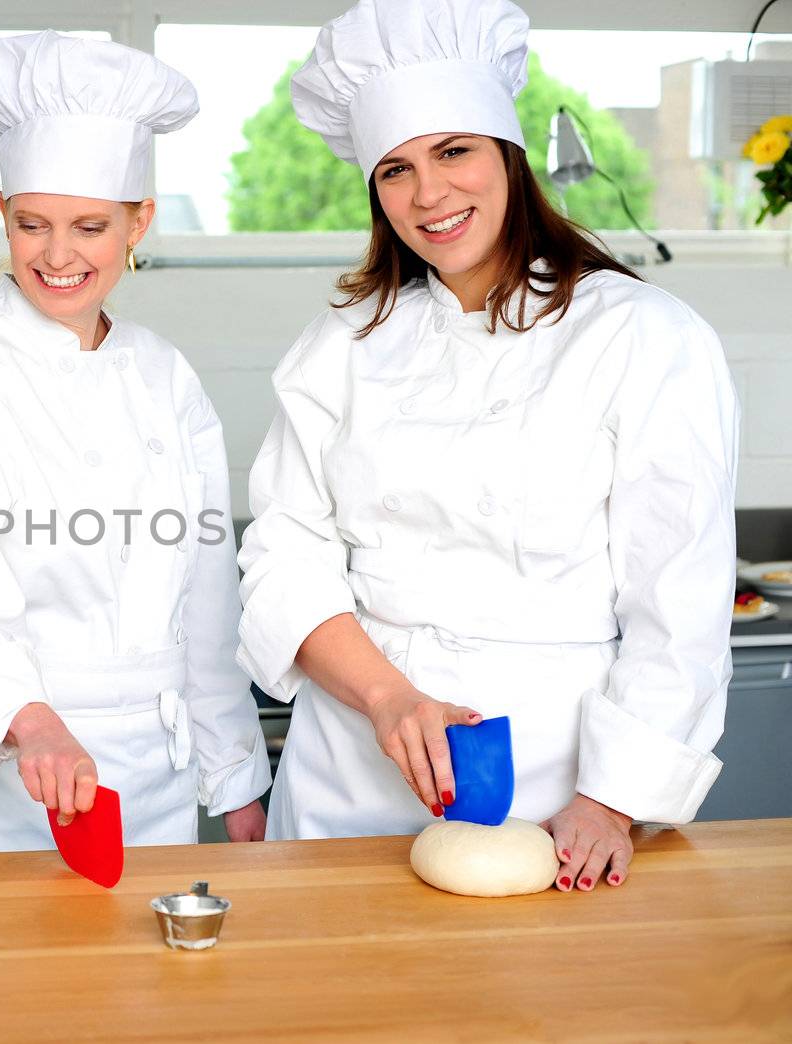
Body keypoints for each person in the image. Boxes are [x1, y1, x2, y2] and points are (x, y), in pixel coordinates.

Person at [237, 0, 738, 892]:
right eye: (396, 168)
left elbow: (680, 595)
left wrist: (614, 798)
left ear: (509, 156)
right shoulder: (342, 344)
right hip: (349, 767)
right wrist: (389, 697)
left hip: (553, 789)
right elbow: (284, 556)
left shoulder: (642, 336)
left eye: (453, 151)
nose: (429, 195)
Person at [0, 31, 270, 855]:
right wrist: (32, 724)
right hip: (12, 775)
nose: (58, 256)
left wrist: (235, 773)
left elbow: (205, 596)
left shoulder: (165, 375)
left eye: (90, 226)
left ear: (140, 223)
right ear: (3, 217)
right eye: (33, 224)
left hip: (158, 781)